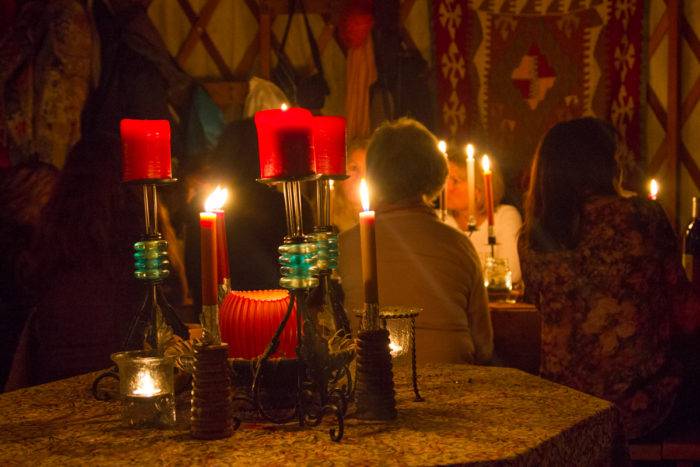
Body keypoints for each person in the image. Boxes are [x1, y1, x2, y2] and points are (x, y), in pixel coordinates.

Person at [519, 117, 699, 439]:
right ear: (605, 163)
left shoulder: (531, 237)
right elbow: (687, 315)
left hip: (565, 410)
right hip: (640, 410)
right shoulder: (640, 217)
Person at [338, 118, 493, 364]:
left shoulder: (345, 245)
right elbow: (484, 345)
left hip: (374, 378)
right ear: (435, 173)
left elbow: (334, 337)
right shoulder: (460, 245)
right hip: (456, 379)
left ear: (374, 173)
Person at [444, 152, 522, 285]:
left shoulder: (505, 217)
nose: (445, 187)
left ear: (478, 190)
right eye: (444, 179)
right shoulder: (438, 219)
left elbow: (512, 273)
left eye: (455, 181)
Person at [332, 138, 368, 232]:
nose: (361, 177)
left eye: (368, 170)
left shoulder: (386, 220)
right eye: (354, 168)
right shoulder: (325, 217)